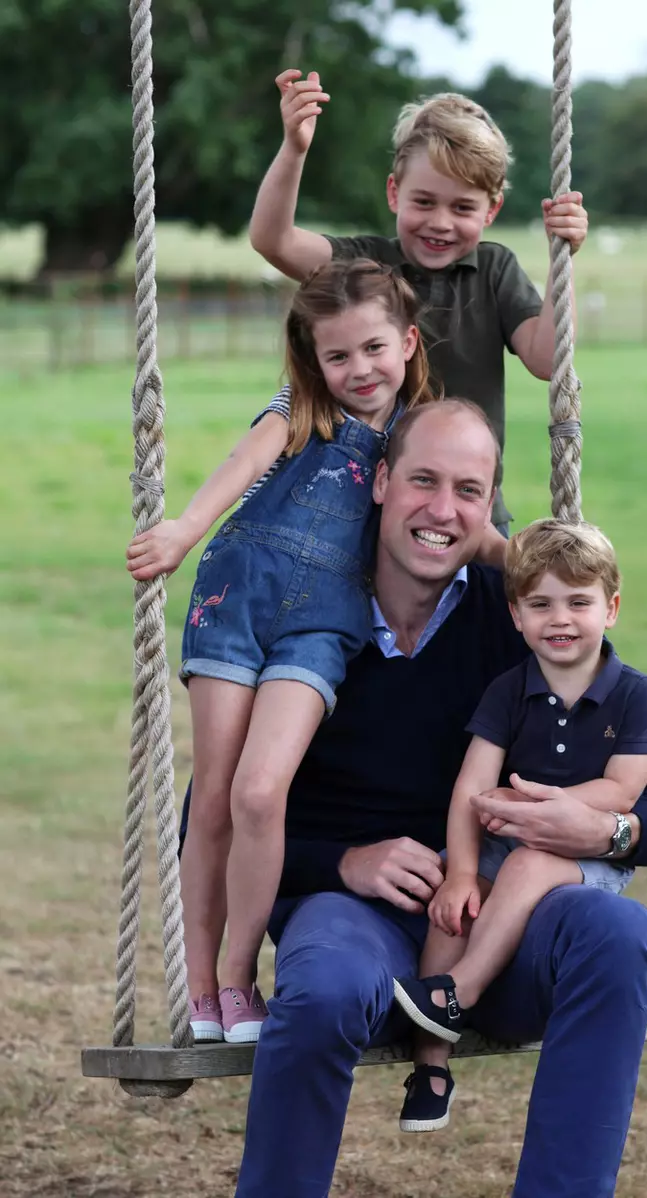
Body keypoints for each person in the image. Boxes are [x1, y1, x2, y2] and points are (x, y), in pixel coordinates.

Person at [188, 399, 647, 1198]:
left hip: (501, 923)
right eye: (423, 480)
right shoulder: (307, 621)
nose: (442, 509)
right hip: (351, 917)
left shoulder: (523, 621)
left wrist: (603, 828)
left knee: (614, 928)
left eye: (469, 489)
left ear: (491, 502)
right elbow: (214, 815)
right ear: (382, 482)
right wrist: (344, 863)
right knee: (323, 982)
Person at [126, 259, 443, 1046]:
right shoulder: (302, 406)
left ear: (406, 342)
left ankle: (239, 976)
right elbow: (240, 467)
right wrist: (183, 530)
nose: (358, 370)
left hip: (324, 622)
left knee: (262, 794)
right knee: (214, 797)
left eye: (373, 349)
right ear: (315, 361)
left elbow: (452, 513)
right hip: (236, 597)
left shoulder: (417, 432)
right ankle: (201, 988)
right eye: (338, 356)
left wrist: (531, 562)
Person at [392, 518, 647, 1133]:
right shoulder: (509, 691)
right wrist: (462, 873)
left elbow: (624, 788)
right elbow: (471, 788)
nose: (560, 619)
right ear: (516, 615)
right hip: (506, 835)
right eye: (540, 604)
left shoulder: (634, 695)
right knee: (451, 906)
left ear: (611, 608)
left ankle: (460, 989)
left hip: (586, 851)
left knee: (529, 861)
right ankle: (431, 1063)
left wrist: (548, 810)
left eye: (579, 602)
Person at [249, 74, 589, 532]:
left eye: (463, 208)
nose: (441, 222)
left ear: (491, 211)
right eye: (424, 202)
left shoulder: (494, 270)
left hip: (469, 513)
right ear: (394, 193)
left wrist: (559, 259)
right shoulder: (365, 265)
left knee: (487, 601)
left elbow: (547, 359)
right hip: (365, 512)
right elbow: (274, 240)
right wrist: (294, 148)